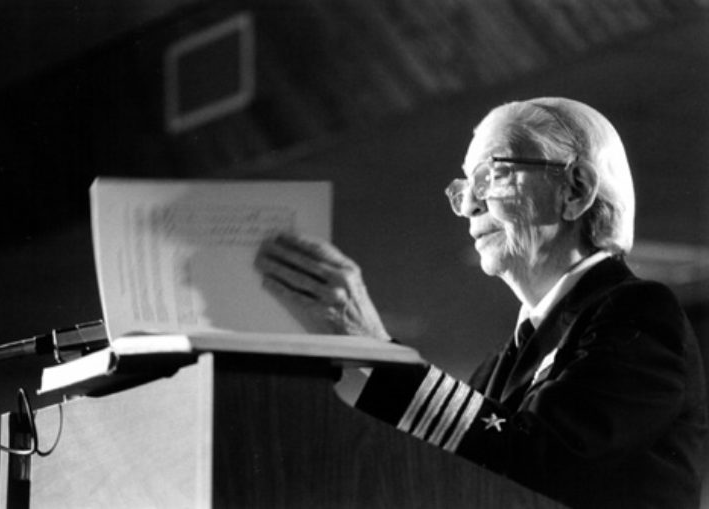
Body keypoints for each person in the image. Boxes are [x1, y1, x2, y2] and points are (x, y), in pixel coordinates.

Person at [254, 97, 708, 508]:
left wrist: (374, 350)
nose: (470, 204)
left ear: (575, 190)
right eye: (465, 186)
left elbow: (540, 462)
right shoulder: (497, 367)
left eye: (493, 175)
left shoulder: (639, 312)